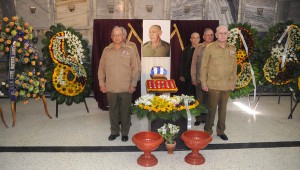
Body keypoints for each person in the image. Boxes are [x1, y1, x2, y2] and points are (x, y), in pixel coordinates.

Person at [98, 26, 139, 142]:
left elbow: (135, 69)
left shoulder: (130, 50)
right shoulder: (106, 51)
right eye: (114, 35)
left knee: (125, 111)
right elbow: (101, 69)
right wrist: (102, 83)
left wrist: (133, 84)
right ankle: (114, 131)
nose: (117, 37)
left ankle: (125, 132)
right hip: (111, 87)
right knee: (113, 111)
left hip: (126, 88)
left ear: (123, 36)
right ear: (111, 37)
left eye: (119, 35)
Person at [200, 25, 237, 141]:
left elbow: (234, 67)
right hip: (213, 84)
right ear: (216, 35)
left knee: (223, 110)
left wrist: (233, 82)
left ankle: (221, 131)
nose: (222, 35)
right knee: (211, 109)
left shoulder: (232, 48)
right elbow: (204, 66)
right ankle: (207, 130)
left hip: (226, 85)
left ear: (228, 35)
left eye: (225, 33)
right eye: (220, 33)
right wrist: (203, 82)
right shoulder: (210, 48)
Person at [190, 28, 214, 126]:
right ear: (203, 37)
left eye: (211, 35)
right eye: (207, 35)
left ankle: (207, 119)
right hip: (200, 79)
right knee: (199, 100)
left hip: (212, 80)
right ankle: (199, 118)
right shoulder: (199, 47)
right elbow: (193, 64)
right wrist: (193, 78)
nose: (209, 37)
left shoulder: (216, 47)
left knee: (210, 101)